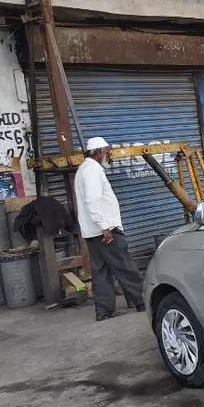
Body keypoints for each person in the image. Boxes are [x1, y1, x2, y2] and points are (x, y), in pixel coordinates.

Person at [75, 136, 145, 321]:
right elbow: (92, 200)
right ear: (98, 152)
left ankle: (104, 311)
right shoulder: (92, 170)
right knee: (125, 267)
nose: (108, 155)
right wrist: (104, 227)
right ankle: (143, 301)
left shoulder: (84, 169)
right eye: (106, 152)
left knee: (101, 271)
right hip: (105, 230)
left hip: (93, 232)